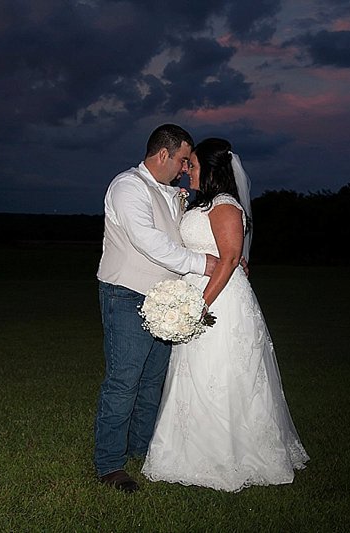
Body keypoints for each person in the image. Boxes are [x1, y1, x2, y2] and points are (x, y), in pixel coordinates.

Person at [141, 138, 309, 492]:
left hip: (220, 301)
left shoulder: (226, 205)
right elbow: (221, 251)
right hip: (200, 291)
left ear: (213, 171)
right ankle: (186, 451)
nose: (188, 170)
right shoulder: (206, 204)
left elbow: (230, 258)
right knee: (194, 374)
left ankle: (230, 454)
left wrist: (201, 305)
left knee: (221, 374)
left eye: (195, 165)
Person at [95, 124, 219, 493]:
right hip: (126, 294)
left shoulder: (172, 193)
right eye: (183, 159)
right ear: (162, 154)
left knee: (152, 383)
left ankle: (142, 448)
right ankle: (110, 464)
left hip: (166, 301)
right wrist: (203, 263)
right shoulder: (127, 187)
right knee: (123, 382)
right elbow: (147, 241)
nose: (185, 168)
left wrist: (228, 257)